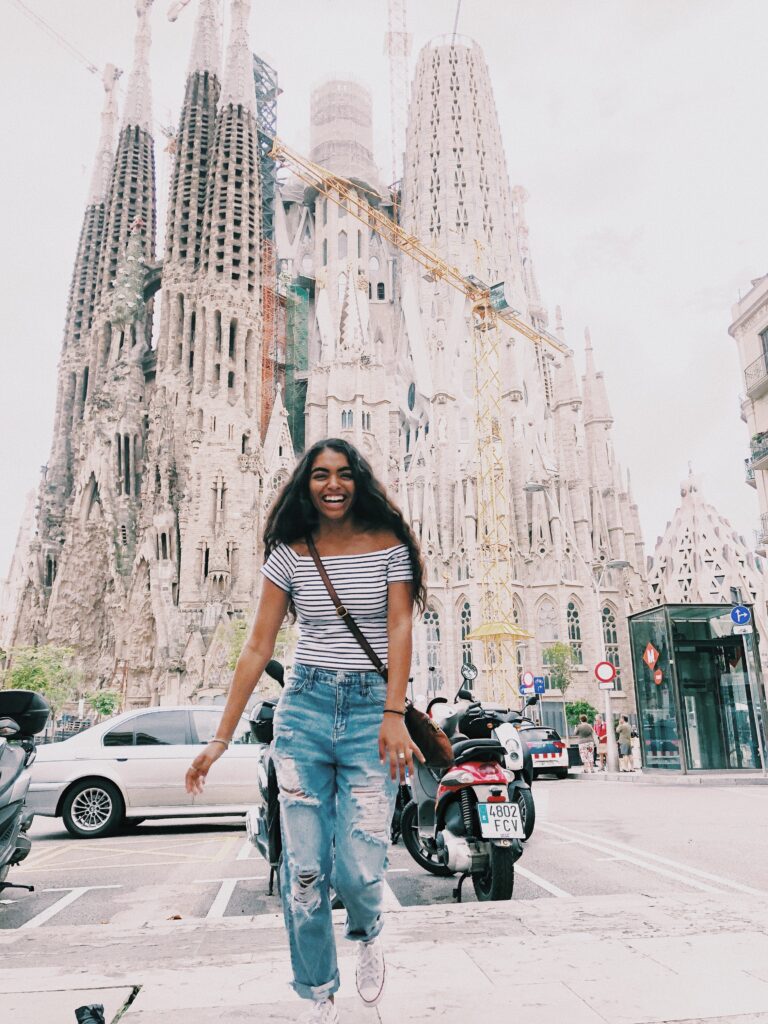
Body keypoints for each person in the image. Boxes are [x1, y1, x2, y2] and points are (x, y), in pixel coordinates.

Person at [185, 438, 426, 1024]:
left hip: (372, 712)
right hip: (305, 711)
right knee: (305, 872)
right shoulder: (290, 555)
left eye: (344, 474)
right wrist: (221, 737)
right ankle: (319, 993)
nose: (333, 485)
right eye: (320, 475)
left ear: (359, 480)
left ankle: (368, 932)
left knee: (362, 865)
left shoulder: (390, 547)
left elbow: (398, 628)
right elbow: (258, 645)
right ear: (306, 484)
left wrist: (394, 715)